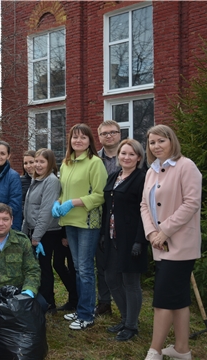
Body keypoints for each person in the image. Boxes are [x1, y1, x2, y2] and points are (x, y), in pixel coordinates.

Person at [141, 125, 202, 360]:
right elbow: (145, 205)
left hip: (181, 245)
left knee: (163, 300)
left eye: (160, 141)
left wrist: (164, 231)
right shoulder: (151, 171)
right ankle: (182, 349)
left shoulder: (186, 166)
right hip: (159, 244)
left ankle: (154, 351)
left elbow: (191, 203)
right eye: (152, 142)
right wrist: (151, 234)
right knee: (178, 299)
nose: (156, 146)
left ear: (171, 141)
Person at [52, 123, 107, 330]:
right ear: (70, 141)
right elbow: (63, 191)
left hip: (87, 222)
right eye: (75, 137)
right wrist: (58, 202)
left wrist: (72, 203)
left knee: (85, 269)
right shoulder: (66, 163)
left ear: (90, 141)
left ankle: (87, 315)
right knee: (77, 268)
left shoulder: (95, 163)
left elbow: (100, 195)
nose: (78, 141)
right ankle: (81, 307)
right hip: (69, 222)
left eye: (83, 137)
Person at [101, 139, 147, 341]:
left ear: (138, 157)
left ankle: (131, 326)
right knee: (111, 278)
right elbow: (107, 208)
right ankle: (125, 317)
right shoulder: (114, 176)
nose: (126, 157)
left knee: (130, 282)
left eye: (131, 154)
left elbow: (145, 211)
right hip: (111, 237)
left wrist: (140, 240)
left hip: (131, 238)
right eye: (123, 153)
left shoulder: (142, 178)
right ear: (118, 155)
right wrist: (103, 234)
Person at [22, 148, 67, 313]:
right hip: (35, 230)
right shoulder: (36, 179)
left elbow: (46, 211)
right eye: (36, 161)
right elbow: (28, 208)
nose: (38, 165)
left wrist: (36, 237)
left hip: (47, 232)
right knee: (38, 267)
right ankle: (43, 299)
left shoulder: (51, 181)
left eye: (42, 162)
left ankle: (49, 303)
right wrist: (24, 231)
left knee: (44, 268)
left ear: (50, 163)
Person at [95, 120, 122, 316]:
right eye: (105, 133)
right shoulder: (95, 160)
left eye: (113, 132)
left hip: (125, 215)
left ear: (119, 134)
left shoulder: (131, 156)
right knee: (101, 261)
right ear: (99, 137)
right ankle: (104, 302)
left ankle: (125, 306)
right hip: (101, 214)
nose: (109, 136)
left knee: (122, 263)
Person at [0, 140, 22, 231]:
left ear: (8, 156)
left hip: (7, 226)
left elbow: (15, 203)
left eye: (2, 153)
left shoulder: (13, 176)